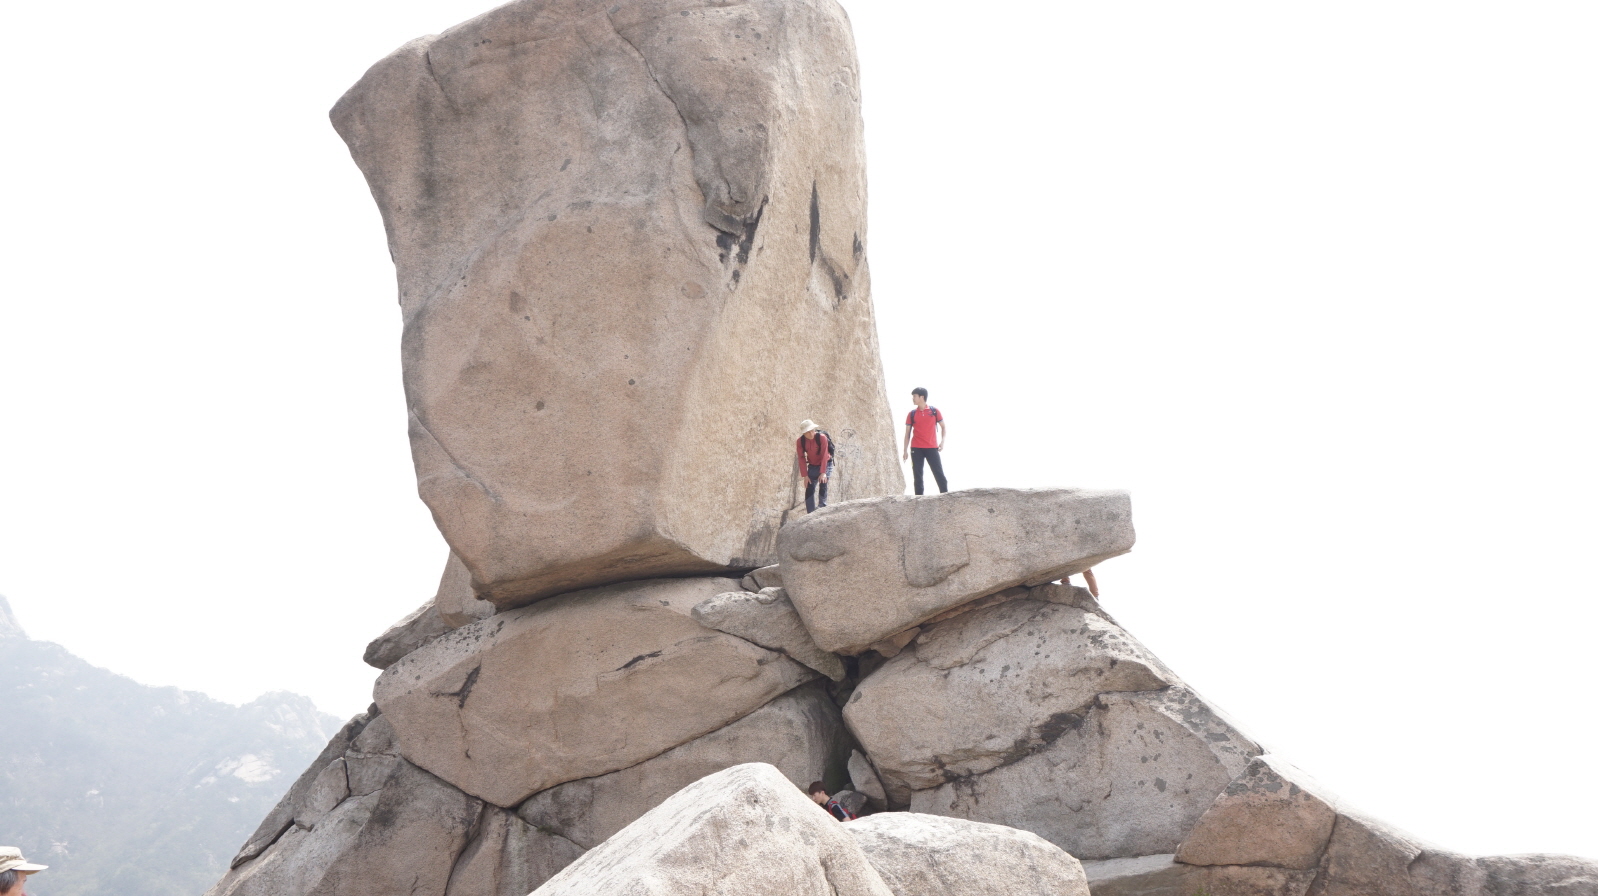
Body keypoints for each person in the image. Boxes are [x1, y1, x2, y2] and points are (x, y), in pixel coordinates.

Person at [901, 387, 948, 495]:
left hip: (932, 447)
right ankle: (919, 500)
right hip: (916, 448)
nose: (913, 398)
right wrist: (905, 450)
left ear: (922, 397)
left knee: (938, 473)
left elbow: (943, 427)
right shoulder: (911, 414)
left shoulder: (934, 411)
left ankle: (946, 497)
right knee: (917, 475)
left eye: (914, 396)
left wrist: (942, 442)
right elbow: (907, 433)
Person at [795, 420, 834, 513]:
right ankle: (810, 512)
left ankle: (822, 506)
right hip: (813, 466)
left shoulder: (822, 438)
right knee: (809, 487)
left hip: (826, 463)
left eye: (812, 430)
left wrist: (823, 472)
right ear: (804, 433)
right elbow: (801, 458)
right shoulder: (800, 441)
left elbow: (825, 454)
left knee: (823, 482)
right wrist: (805, 476)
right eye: (808, 431)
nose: (811, 433)